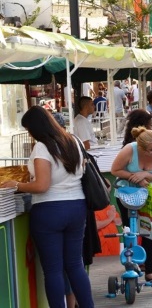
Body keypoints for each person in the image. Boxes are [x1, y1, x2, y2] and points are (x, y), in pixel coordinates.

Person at [0, 106, 94, 308]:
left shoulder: (43, 147)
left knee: (53, 270)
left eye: (29, 129)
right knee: (75, 265)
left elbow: (42, 186)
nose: (29, 134)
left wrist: (17, 185)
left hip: (49, 211)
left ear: (36, 128)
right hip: (77, 207)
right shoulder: (74, 141)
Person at [111, 126, 152, 282]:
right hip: (126, 194)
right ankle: (130, 264)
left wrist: (145, 175)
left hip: (147, 195)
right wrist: (132, 176)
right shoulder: (129, 150)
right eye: (151, 150)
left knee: (148, 230)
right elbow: (115, 170)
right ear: (141, 148)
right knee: (129, 230)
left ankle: (149, 270)